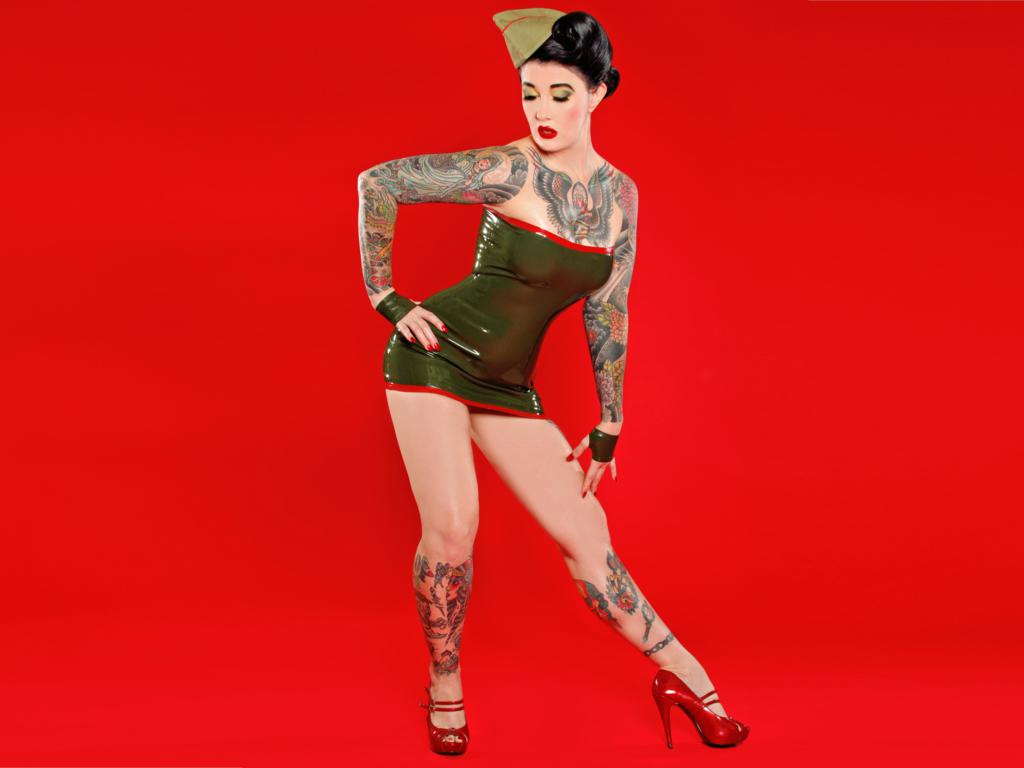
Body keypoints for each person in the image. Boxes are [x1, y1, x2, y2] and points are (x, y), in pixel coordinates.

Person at [356, 8, 750, 756]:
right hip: (434, 357)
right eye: (529, 92)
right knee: (454, 526)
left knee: (587, 538)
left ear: (598, 92)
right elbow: (380, 182)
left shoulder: (622, 197)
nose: (540, 110)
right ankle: (445, 683)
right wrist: (388, 297)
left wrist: (610, 422)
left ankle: (688, 680)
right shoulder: (507, 169)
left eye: (560, 94)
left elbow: (608, 308)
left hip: (509, 383)